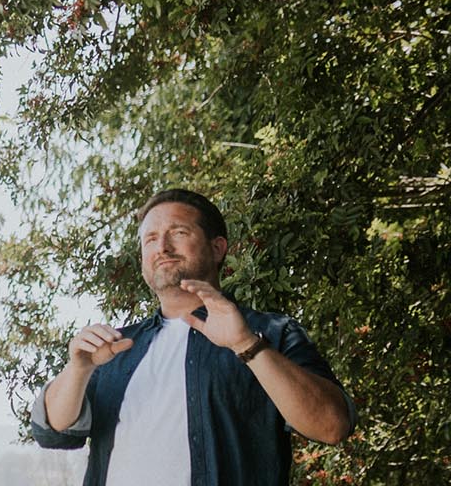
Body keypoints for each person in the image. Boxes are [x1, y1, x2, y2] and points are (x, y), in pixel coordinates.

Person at [30, 188, 355, 484]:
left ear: (217, 248)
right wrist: (79, 369)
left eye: (179, 233)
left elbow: (331, 426)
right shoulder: (114, 347)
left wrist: (246, 345)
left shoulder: (271, 333)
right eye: (150, 239)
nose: (162, 247)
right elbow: (54, 432)